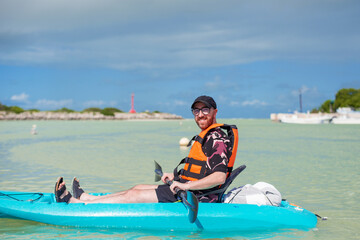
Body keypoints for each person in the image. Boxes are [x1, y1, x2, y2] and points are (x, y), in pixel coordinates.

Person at [55, 95, 238, 204]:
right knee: (137, 188)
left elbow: (219, 177)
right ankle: (87, 198)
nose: (200, 115)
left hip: (196, 197)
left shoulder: (216, 138)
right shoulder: (209, 135)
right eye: (196, 111)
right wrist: (175, 177)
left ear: (215, 112)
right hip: (187, 188)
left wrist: (184, 185)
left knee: (134, 195)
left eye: (205, 110)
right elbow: (201, 170)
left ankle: (75, 203)